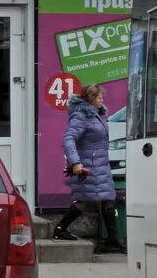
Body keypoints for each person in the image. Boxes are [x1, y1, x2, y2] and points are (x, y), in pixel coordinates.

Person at [52, 85, 124, 252]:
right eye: (99, 97)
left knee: (104, 198)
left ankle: (112, 241)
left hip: (100, 165)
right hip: (88, 166)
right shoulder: (81, 116)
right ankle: (60, 230)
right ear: (90, 99)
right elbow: (69, 139)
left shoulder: (96, 115)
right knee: (89, 199)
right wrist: (75, 162)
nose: (102, 100)